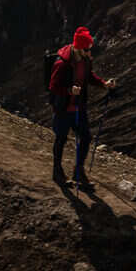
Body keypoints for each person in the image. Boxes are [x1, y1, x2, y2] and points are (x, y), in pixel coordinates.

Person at [48, 27, 115, 185]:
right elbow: (53, 86)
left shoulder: (85, 60)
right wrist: (69, 91)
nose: (89, 52)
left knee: (85, 137)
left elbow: (88, 76)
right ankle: (57, 171)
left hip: (78, 106)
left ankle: (78, 171)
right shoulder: (62, 63)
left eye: (90, 48)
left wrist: (103, 84)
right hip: (64, 107)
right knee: (61, 138)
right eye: (87, 49)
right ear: (78, 48)